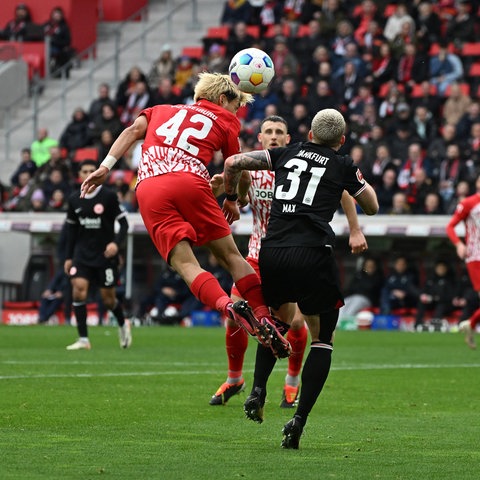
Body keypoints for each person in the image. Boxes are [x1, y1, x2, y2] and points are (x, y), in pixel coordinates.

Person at [80, 72, 291, 359]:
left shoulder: (161, 109)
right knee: (231, 257)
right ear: (221, 98)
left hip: (150, 187)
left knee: (185, 265)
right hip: (191, 180)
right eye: (235, 104)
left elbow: (131, 131)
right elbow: (234, 165)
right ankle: (264, 318)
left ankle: (227, 307)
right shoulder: (226, 119)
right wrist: (231, 199)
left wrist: (106, 167)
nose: (236, 111)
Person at [222, 108, 378, 449]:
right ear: (341, 139)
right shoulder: (342, 164)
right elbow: (372, 206)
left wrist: (231, 197)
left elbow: (233, 163)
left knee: (274, 321)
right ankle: (298, 419)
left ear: (307, 134)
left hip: (272, 251)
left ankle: (257, 390)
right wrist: (354, 181)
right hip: (312, 253)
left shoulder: (285, 154)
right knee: (322, 339)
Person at [64, 160, 132, 350]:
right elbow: (71, 230)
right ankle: (83, 339)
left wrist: (115, 244)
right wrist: (69, 257)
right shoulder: (73, 199)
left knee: (108, 299)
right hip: (81, 255)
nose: (88, 174)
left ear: (98, 173)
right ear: (80, 175)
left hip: (104, 256)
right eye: (85, 171)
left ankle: (122, 324)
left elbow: (124, 224)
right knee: (78, 289)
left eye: (92, 170)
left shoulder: (108, 197)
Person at [446, 174, 480, 349]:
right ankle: (472, 324)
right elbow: (450, 226)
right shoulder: (469, 203)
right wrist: (459, 244)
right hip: (476, 256)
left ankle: (471, 324)